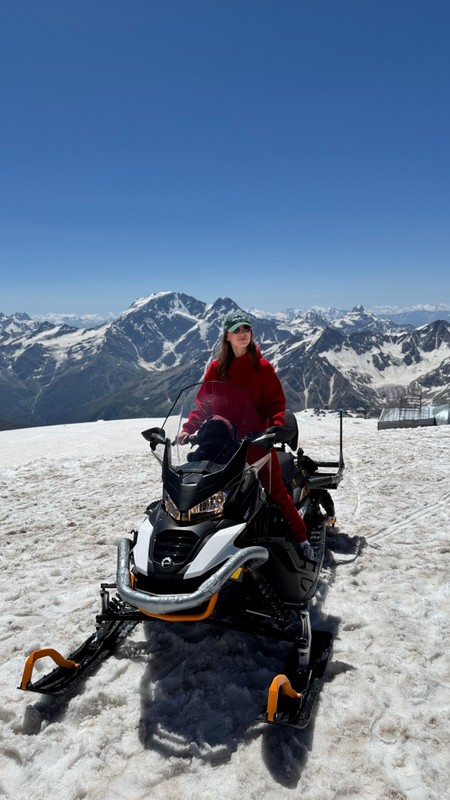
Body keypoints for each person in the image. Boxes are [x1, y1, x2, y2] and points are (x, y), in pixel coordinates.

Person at [177, 310, 315, 560]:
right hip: (221, 444)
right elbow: (204, 404)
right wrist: (189, 428)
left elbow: (276, 405)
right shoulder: (216, 369)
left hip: (255, 444)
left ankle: (303, 540)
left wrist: (273, 428)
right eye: (237, 330)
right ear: (227, 336)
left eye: (246, 329)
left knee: (276, 493)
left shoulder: (262, 368)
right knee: (206, 491)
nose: (243, 334)